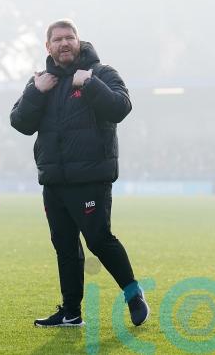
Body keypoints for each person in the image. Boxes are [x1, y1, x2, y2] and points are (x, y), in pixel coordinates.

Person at [10, 19, 149, 328]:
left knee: (99, 240)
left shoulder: (101, 73)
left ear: (78, 40)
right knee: (64, 246)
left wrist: (89, 84)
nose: (64, 43)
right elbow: (19, 122)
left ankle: (133, 295)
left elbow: (121, 108)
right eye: (57, 39)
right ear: (48, 46)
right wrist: (36, 92)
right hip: (54, 182)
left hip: (90, 179)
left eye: (69, 37)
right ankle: (71, 313)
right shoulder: (40, 82)